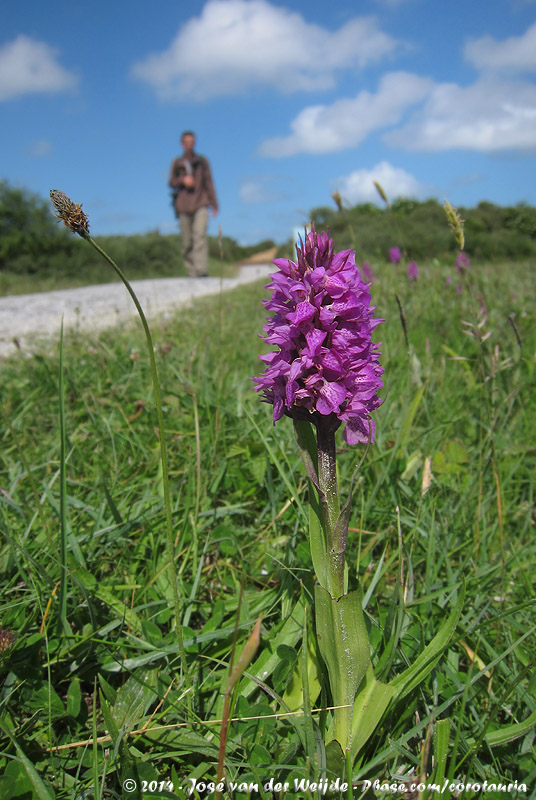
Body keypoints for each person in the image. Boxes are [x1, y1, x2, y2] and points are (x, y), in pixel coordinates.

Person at [169, 131, 218, 277]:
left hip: (201, 202)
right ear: (182, 144)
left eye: (192, 142)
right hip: (183, 204)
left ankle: (201, 270)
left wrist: (214, 204)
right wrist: (182, 181)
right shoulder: (176, 162)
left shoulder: (203, 161)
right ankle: (191, 270)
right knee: (187, 242)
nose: (189, 145)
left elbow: (209, 182)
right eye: (187, 142)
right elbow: (171, 182)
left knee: (200, 236)